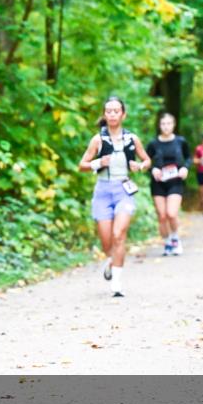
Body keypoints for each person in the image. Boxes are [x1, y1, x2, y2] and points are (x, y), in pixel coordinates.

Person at [78, 96, 152, 297]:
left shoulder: (131, 139)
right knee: (107, 242)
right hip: (102, 191)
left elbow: (147, 160)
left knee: (119, 235)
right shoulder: (98, 140)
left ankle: (117, 283)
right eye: (108, 111)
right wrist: (98, 162)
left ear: (123, 114)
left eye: (116, 111)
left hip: (123, 191)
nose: (112, 114)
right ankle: (111, 260)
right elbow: (82, 165)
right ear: (104, 114)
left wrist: (141, 166)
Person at [146, 113, 191, 255]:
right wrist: (152, 169)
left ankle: (175, 238)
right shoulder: (153, 143)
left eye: (169, 123)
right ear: (159, 125)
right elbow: (146, 161)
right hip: (158, 183)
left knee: (171, 214)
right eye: (163, 124)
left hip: (175, 182)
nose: (166, 126)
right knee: (162, 215)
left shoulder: (180, 141)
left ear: (174, 124)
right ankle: (167, 242)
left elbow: (188, 157)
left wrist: (185, 168)